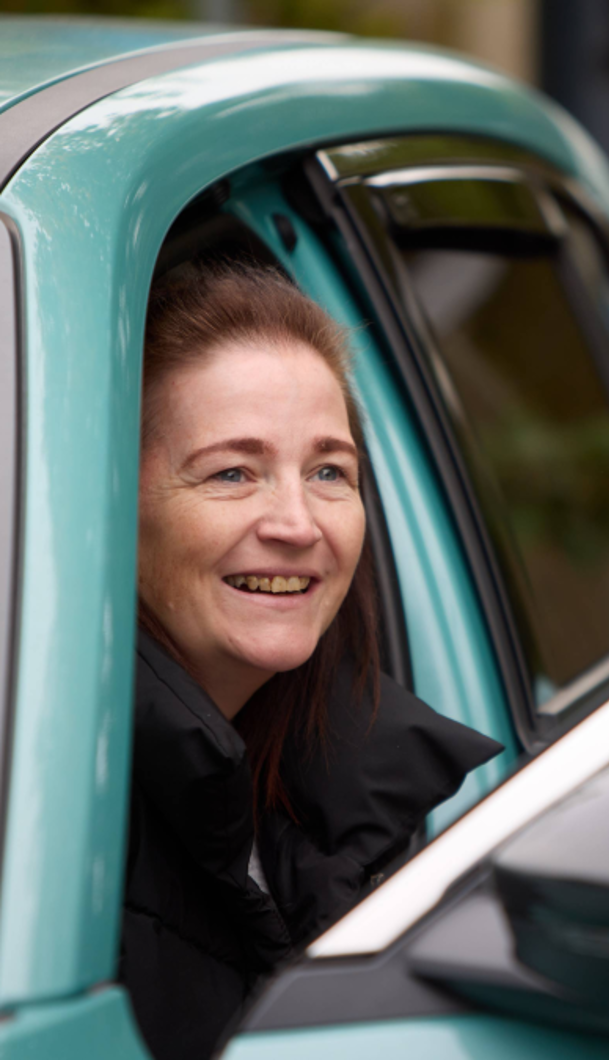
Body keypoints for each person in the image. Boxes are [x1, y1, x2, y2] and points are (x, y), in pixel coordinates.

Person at [121, 264, 502, 1060]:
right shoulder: (50, 819)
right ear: (112, 499)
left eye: (329, 471)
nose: (296, 522)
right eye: (233, 472)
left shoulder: (351, 774)